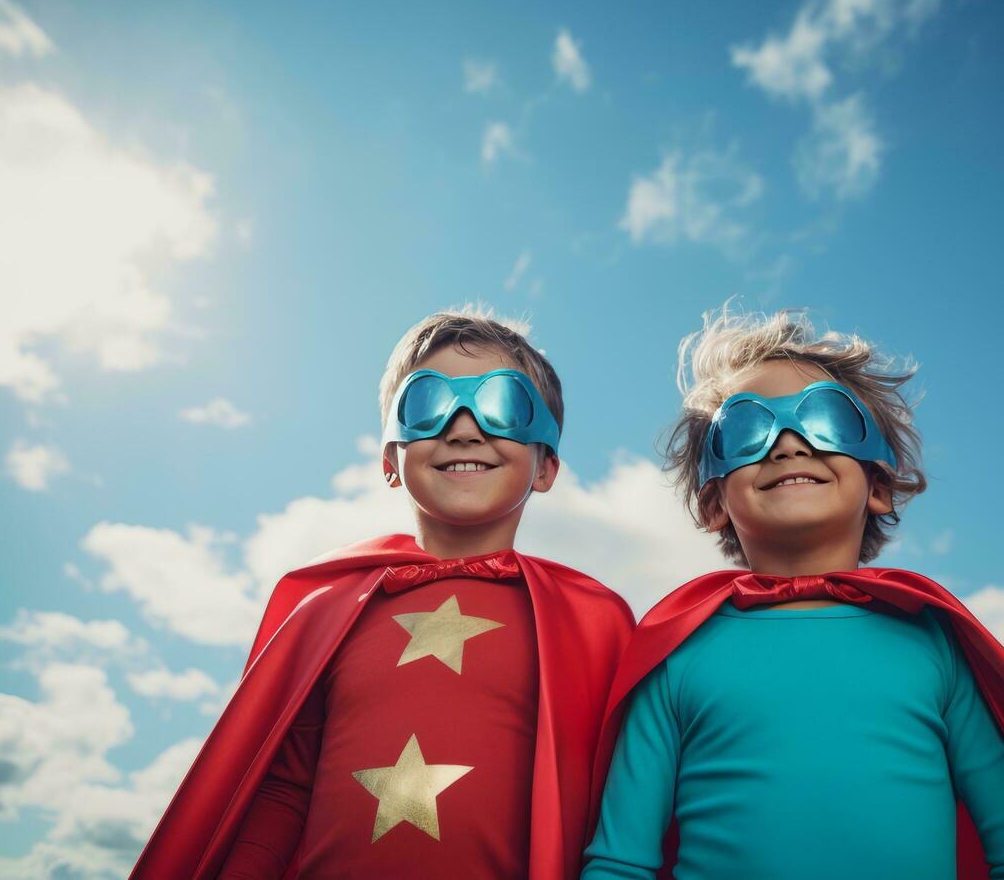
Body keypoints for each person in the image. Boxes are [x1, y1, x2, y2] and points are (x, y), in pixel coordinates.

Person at [583, 307, 1004, 879]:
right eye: (746, 428)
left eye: (826, 420)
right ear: (715, 503)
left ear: (877, 486)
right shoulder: (675, 653)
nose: (790, 444)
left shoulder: (931, 644)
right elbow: (620, 862)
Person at [134, 310, 634, 880]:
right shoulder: (326, 614)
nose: (463, 428)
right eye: (426, 405)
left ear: (546, 465)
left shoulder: (594, 623)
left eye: (502, 406)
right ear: (389, 460)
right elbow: (281, 794)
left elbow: (618, 816)